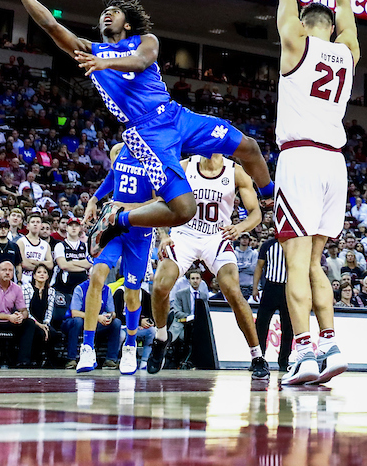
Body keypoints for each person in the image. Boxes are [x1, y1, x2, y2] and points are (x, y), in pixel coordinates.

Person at [0, 0, 276, 244]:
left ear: (127, 23)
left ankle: (269, 198)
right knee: (184, 210)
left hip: (175, 114)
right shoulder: (88, 50)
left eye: (115, 12)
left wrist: (104, 62)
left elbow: (142, 61)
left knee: (249, 147)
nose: (108, 14)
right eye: (104, 13)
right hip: (147, 132)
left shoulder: (145, 40)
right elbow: (49, 24)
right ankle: (116, 218)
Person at [274, 0, 358, 386]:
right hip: (334, 164)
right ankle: (331, 344)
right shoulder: (348, 52)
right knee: (314, 263)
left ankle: (303, 353)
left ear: (307, 24)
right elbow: (347, 10)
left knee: (295, 263)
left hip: (301, 159)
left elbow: (284, 0)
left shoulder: (297, 45)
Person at [149, 153, 269, 378]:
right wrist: (164, 234)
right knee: (160, 285)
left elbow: (256, 213)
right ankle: (161, 337)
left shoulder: (235, 171)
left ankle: (257, 356)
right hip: (184, 233)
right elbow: (160, 201)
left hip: (217, 236)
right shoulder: (185, 166)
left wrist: (241, 227)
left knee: (233, 291)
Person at [75, 144, 158, 375]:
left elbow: (161, 200)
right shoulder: (119, 150)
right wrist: (94, 199)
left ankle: (130, 345)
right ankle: (87, 347)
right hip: (113, 228)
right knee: (96, 276)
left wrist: (129, 208)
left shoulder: (157, 156)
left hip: (140, 233)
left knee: (132, 293)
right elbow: (113, 177)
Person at [0, 261, 35, 368]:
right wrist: (9, 317)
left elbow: (24, 310)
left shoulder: (17, 288)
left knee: (29, 323)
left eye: (10, 270)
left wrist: (21, 316)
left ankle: (23, 361)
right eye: (4, 270)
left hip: (10, 320)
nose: (7, 273)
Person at [253, 234, 292, 372]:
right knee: (261, 325)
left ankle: (284, 361)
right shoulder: (268, 245)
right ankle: (258, 359)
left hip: (288, 288)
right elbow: (259, 267)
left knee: (288, 328)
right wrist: (255, 287)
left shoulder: (294, 244)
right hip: (270, 287)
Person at [64, 275, 121, 369]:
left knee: (116, 322)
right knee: (77, 322)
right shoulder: (80, 288)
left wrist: (109, 317)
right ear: (89, 277)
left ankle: (110, 360)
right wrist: (96, 317)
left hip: (97, 322)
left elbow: (112, 312)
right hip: (76, 321)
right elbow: (74, 313)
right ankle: (71, 359)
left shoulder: (107, 290)